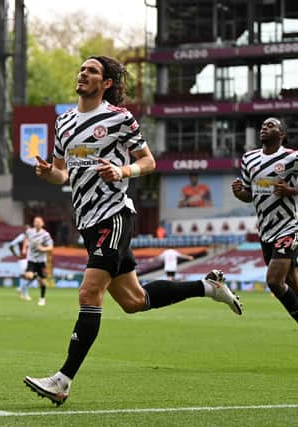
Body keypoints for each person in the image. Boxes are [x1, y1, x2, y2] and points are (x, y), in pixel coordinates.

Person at [23, 55, 242, 406]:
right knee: (134, 301)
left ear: (106, 82)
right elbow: (62, 174)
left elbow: (148, 162)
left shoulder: (119, 118)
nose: (83, 74)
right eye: (81, 69)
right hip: (88, 221)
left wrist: (123, 172)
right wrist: (48, 172)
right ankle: (207, 286)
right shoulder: (63, 122)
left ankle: (63, 379)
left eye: (92, 71)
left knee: (88, 293)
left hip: (115, 215)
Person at [231, 116, 298, 370]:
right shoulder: (249, 159)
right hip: (266, 231)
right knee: (294, 291)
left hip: (290, 226)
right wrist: (239, 193)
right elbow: (250, 194)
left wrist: (293, 191)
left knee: (273, 281)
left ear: (282, 135)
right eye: (263, 125)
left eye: (271, 125)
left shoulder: (293, 158)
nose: (264, 127)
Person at [22, 216, 54, 306]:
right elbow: (25, 238)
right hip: (31, 259)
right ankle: (34, 274)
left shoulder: (45, 235)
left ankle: (42, 298)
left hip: (41, 261)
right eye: (35, 221)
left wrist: (43, 249)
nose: (37, 223)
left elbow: (51, 248)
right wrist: (24, 248)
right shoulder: (29, 231)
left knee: (43, 282)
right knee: (29, 276)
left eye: (39, 222)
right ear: (33, 223)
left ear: (42, 224)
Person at [9, 226, 30, 300]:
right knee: (25, 276)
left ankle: (20, 289)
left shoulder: (32, 237)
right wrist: (15, 254)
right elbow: (11, 245)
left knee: (32, 275)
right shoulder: (21, 237)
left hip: (31, 259)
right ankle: (25, 294)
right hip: (23, 259)